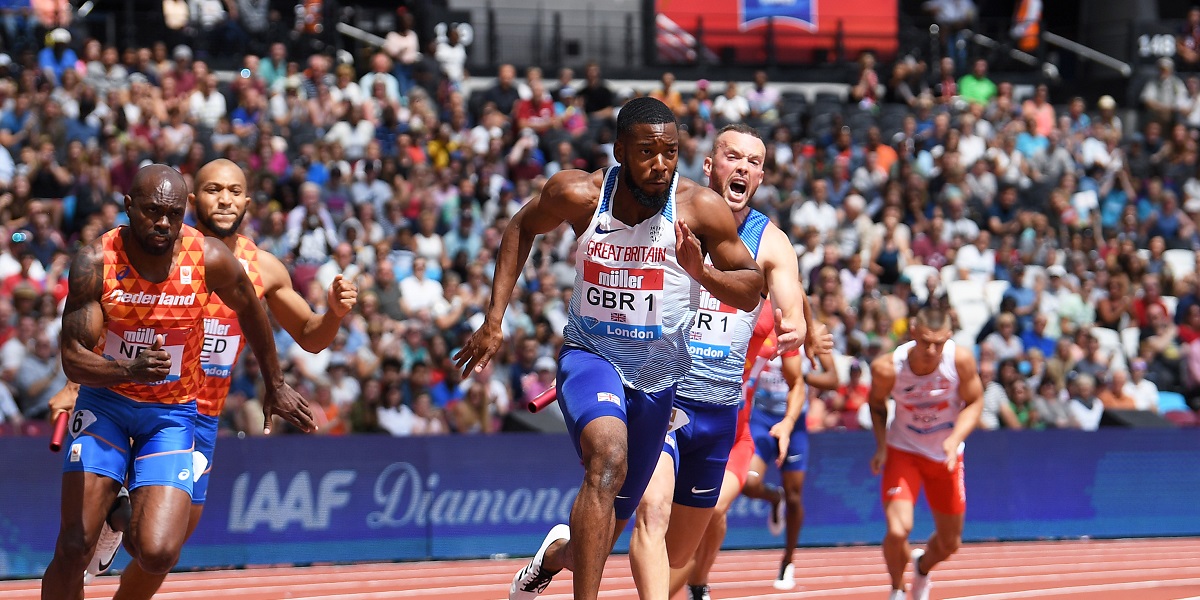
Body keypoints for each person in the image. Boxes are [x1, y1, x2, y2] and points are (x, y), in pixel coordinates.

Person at [453, 97, 767, 600]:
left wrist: (701, 271)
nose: (660, 164)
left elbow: (752, 286)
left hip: (660, 380)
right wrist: (495, 319)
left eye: (670, 152)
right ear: (620, 150)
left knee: (597, 542)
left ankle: (557, 553)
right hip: (591, 357)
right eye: (647, 152)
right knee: (606, 458)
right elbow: (520, 227)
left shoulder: (698, 208)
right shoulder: (578, 193)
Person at [50, 159, 359, 593]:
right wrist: (76, 385)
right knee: (74, 545)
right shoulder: (105, 259)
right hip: (116, 398)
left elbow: (297, 330)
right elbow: (91, 339)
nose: (226, 199)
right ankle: (110, 512)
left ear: (247, 201)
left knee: (158, 552)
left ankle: (117, 515)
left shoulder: (245, 265)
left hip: (191, 414)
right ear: (194, 201)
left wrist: (327, 324)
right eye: (214, 189)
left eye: (235, 191)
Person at [627, 124, 827, 600]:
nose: (743, 167)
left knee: (677, 552)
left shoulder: (771, 241)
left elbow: (790, 303)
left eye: (753, 162)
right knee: (651, 515)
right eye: (733, 157)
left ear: (759, 177)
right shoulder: (667, 217)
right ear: (711, 167)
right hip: (664, 397)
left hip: (720, 414)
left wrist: (797, 325)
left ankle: (559, 553)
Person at [868, 307, 984, 600]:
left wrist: (954, 438)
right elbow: (878, 405)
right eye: (925, 342)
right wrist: (881, 446)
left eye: (940, 343)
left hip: (945, 456)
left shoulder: (960, 360)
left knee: (949, 543)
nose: (932, 350)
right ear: (913, 333)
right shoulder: (887, 367)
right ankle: (896, 588)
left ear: (949, 338)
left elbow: (975, 401)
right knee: (898, 530)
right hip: (904, 451)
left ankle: (922, 566)